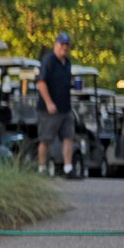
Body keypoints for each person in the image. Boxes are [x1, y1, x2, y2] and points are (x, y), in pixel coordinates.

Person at [36, 32, 77, 177]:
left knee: (69, 136)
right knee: (46, 139)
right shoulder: (49, 61)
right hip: (50, 109)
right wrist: (49, 103)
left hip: (65, 107)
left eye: (67, 45)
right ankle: (42, 168)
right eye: (62, 44)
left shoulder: (67, 63)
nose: (64, 47)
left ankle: (68, 168)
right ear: (56, 45)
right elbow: (41, 83)